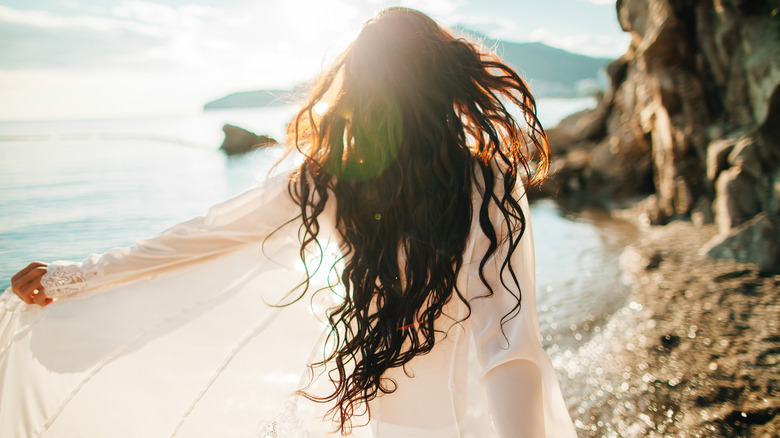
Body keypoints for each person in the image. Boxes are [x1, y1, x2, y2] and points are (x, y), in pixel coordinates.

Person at [2, 7, 577, 438]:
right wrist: (75, 277)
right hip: (453, 412)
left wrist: (78, 277)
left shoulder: (340, 180)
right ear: (443, 82)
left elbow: (201, 235)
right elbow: (506, 335)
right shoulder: (484, 183)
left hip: (398, 405)